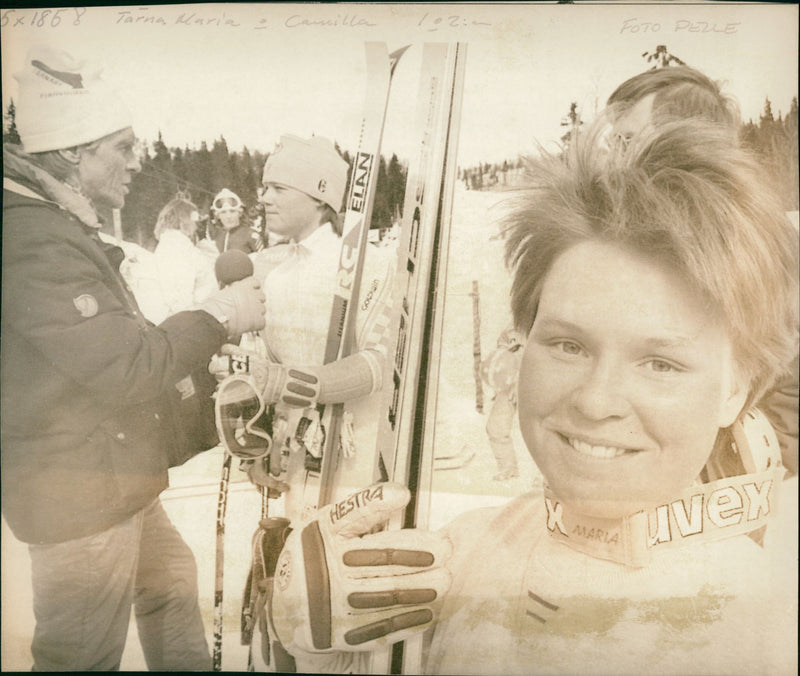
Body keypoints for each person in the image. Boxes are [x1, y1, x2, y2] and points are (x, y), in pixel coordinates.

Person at [264, 117, 799, 674]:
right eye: (568, 345)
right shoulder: (455, 559)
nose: (596, 402)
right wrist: (318, 649)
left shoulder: (764, 631)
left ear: (735, 388)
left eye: (660, 363)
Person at [1, 47, 267, 671]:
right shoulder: (33, 238)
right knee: (81, 655)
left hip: (113, 479)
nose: (137, 160)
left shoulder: (55, 225)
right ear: (72, 152)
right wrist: (220, 316)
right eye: (121, 148)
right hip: (80, 494)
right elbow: (127, 367)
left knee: (171, 586)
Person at [604, 65, 799, 477]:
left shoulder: (753, 232)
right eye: (613, 140)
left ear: (685, 137)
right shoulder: (634, 224)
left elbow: (789, 370)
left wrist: (754, 467)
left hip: (718, 481)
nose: (614, 155)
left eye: (625, 139)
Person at [149, 194, 218, 323]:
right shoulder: (174, 247)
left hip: (201, 315)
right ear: (183, 219)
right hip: (194, 320)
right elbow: (179, 296)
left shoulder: (181, 245)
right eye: (194, 220)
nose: (196, 225)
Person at [480, 325, 526, 480]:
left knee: (545, 431)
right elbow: (501, 355)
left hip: (538, 385)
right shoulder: (510, 331)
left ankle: (548, 477)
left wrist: (520, 380)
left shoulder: (544, 325)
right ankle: (508, 468)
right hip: (509, 385)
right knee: (495, 427)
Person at [210, 187, 262, 254]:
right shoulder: (216, 236)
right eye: (223, 212)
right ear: (218, 216)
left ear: (240, 213)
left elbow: (264, 261)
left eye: (232, 211)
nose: (228, 216)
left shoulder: (251, 235)